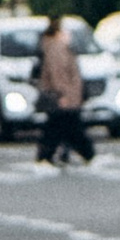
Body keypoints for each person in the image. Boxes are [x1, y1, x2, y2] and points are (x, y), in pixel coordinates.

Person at [34, 15, 94, 165]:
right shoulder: (57, 48)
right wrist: (63, 94)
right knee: (68, 128)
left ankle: (47, 156)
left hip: (67, 96)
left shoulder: (56, 47)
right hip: (65, 97)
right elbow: (58, 74)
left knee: (58, 127)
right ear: (59, 32)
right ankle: (87, 155)